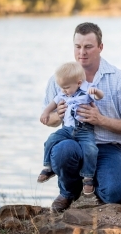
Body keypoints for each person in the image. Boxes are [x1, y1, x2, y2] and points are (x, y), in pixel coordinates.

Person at [42, 22, 121, 213]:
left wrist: (100, 120)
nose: (82, 52)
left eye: (88, 46)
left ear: (100, 47)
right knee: (62, 150)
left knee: (115, 195)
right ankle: (69, 192)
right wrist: (58, 115)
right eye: (77, 46)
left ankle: (97, 183)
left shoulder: (118, 79)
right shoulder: (60, 78)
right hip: (73, 142)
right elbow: (50, 120)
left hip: (108, 148)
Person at [38, 61, 104, 196]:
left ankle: (88, 178)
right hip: (68, 129)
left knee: (90, 149)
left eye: (66, 87)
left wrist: (96, 92)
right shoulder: (63, 93)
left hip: (84, 130)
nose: (63, 90)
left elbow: (99, 96)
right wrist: (45, 113)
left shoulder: (87, 90)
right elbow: (53, 103)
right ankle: (48, 166)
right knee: (51, 139)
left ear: (79, 83)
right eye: (61, 87)